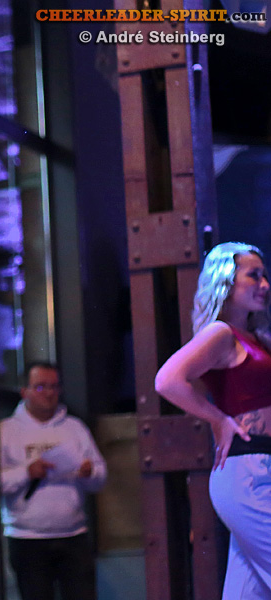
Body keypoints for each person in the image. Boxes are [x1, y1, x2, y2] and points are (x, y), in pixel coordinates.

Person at [155, 242, 271, 599]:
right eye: (254, 276)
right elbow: (167, 380)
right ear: (226, 281)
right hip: (247, 470)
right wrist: (218, 419)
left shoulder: (256, 338)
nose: (265, 284)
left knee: (247, 593)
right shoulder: (220, 333)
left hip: (260, 467)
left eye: (265, 276)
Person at [0, 362, 107, 600]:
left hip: (73, 535)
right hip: (27, 538)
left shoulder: (74, 428)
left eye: (54, 387)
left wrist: (89, 473)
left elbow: (100, 477)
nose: (49, 393)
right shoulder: (6, 431)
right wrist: (27, 472)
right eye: (40, 387)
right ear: (24, 391)